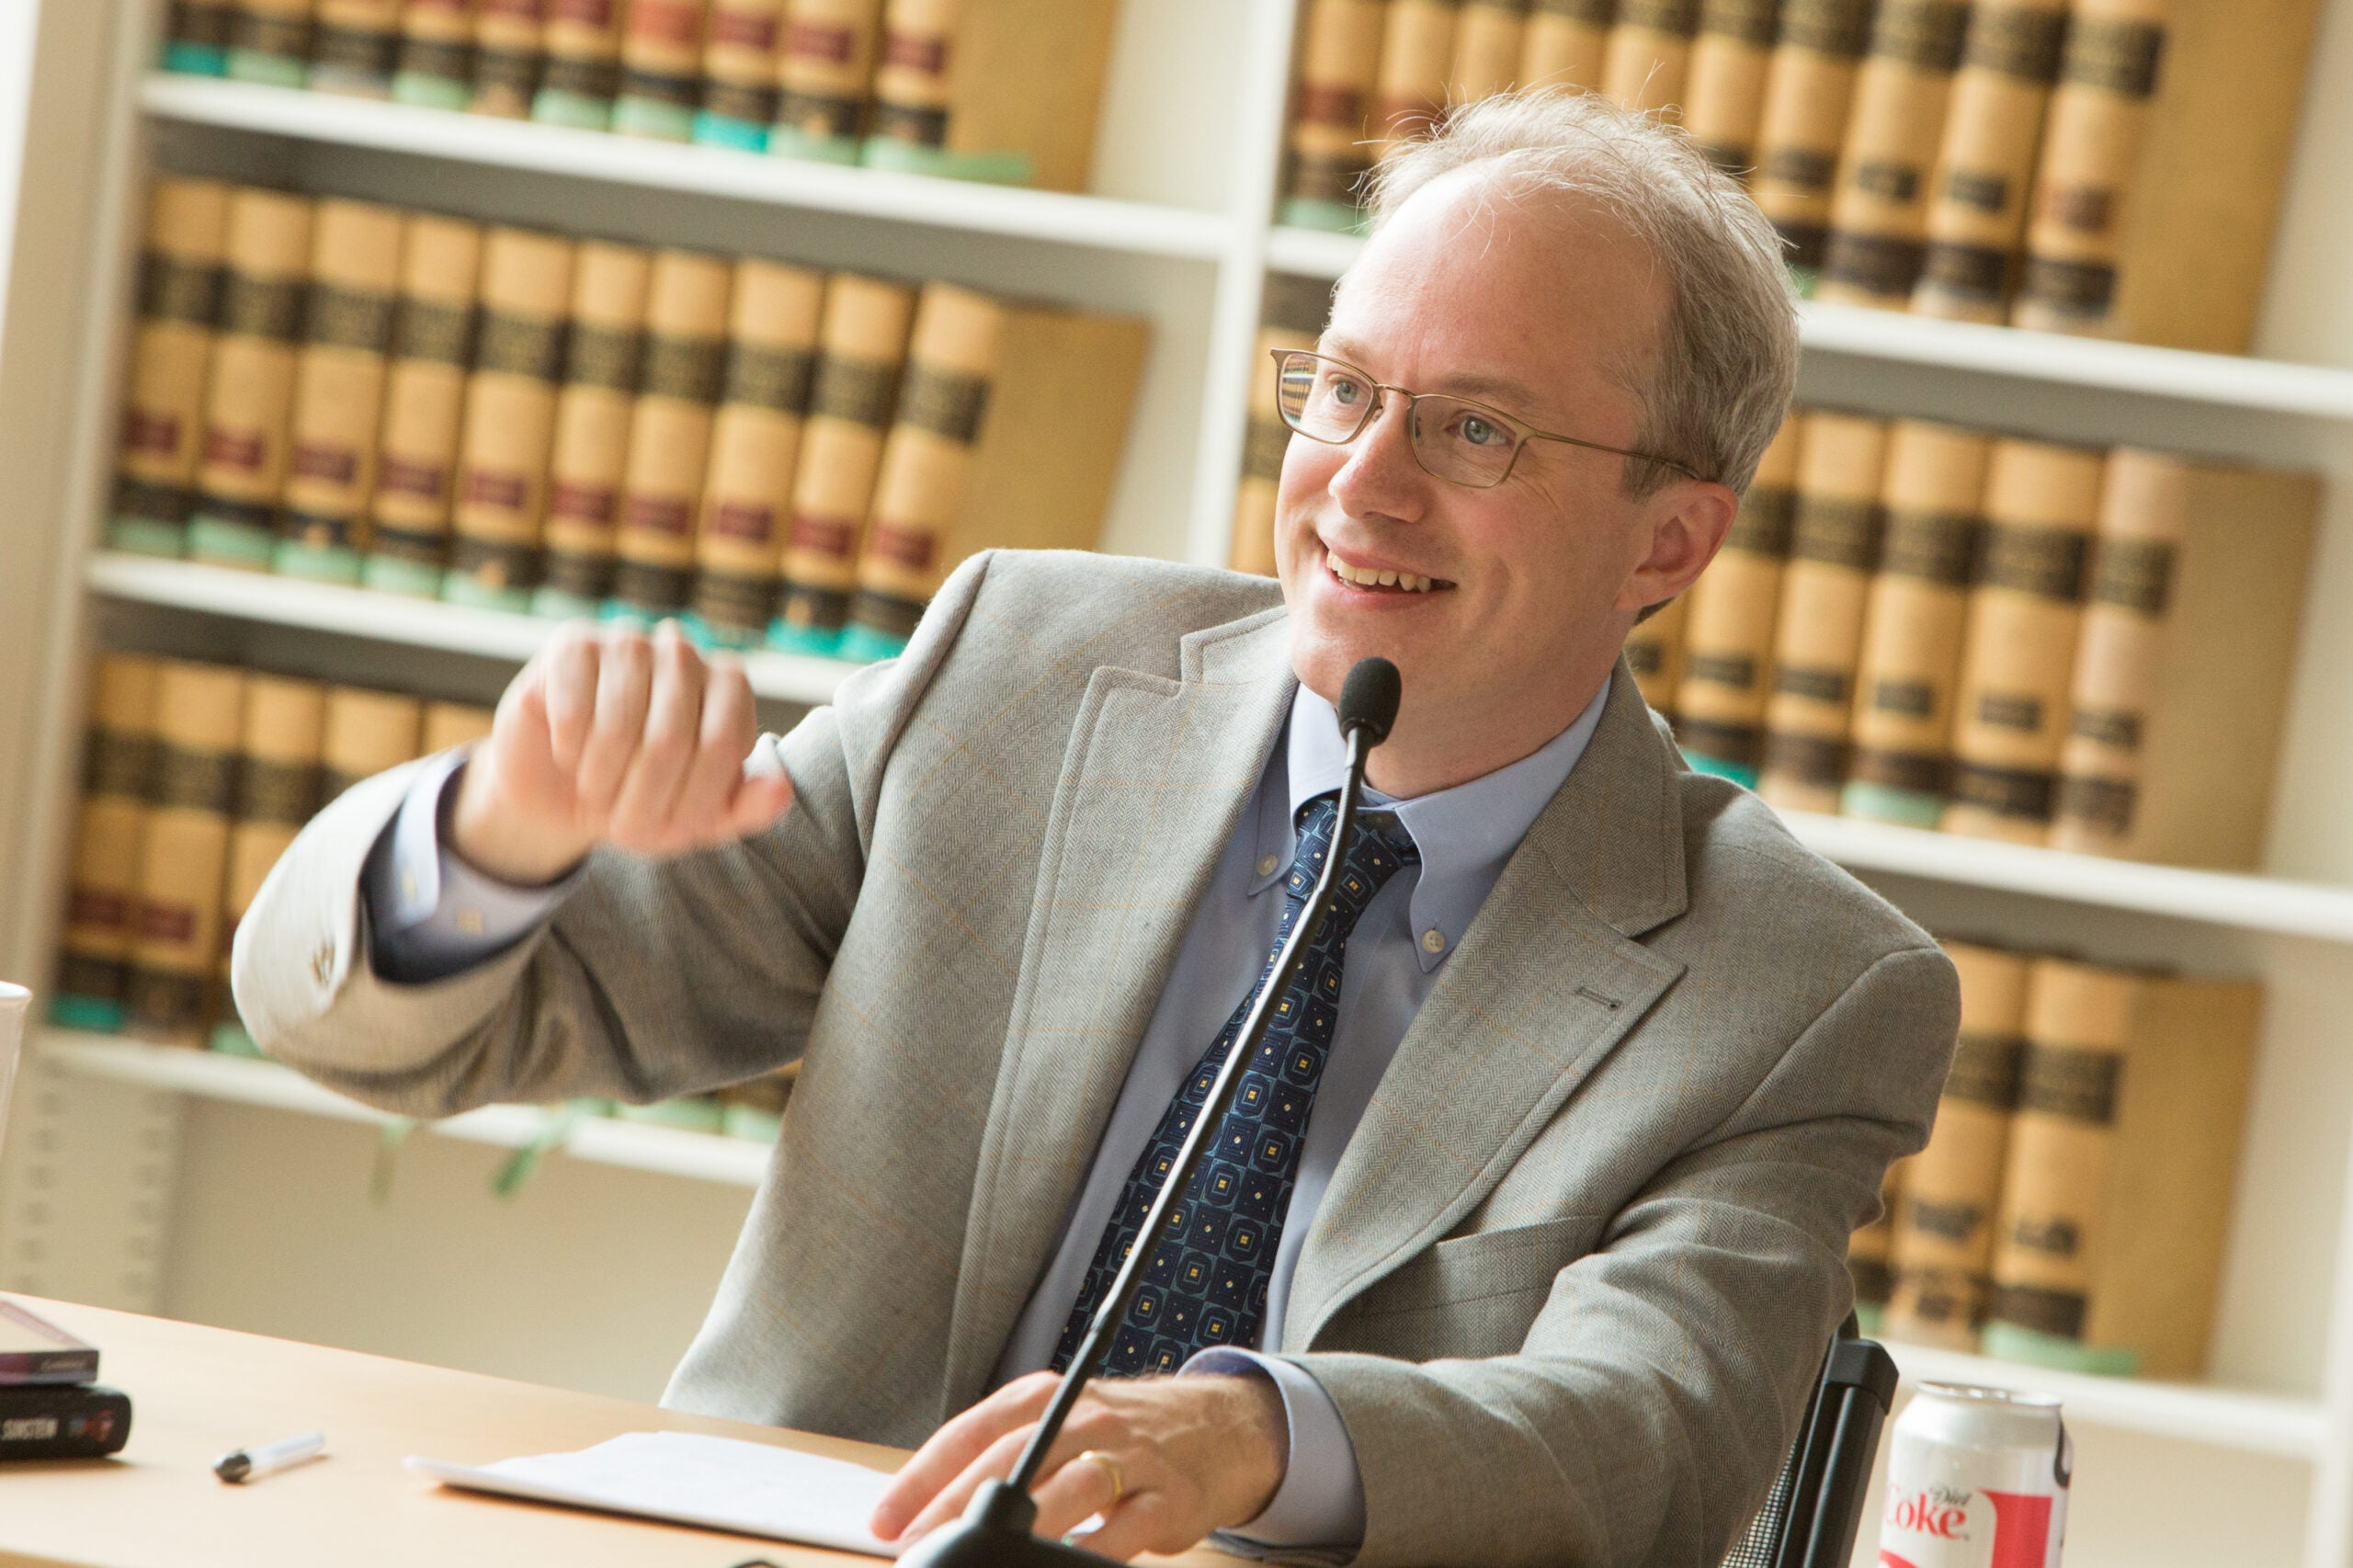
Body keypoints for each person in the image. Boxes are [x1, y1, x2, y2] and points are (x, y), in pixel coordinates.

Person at [234, 90, 1957, 1568]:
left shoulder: (1792, 985)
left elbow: (1650, 1432)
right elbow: (386, 1018)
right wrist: (502, 832)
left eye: (1476, 428)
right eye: (1344, 388)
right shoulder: (1022, 678)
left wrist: (1249, 1435)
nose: (1360, 483)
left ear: (1671, 542)